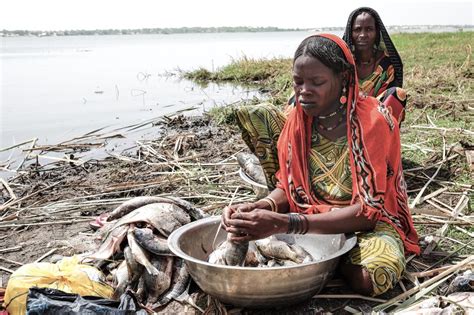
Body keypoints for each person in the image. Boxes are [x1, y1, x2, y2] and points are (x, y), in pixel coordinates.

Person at [224, 34, 419, 297]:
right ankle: (325, 259)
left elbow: (368, 214)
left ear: (343, 80)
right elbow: (288, 187)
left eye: (317, 82)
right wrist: (263, 206)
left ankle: (331, 260)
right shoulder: (297, 122)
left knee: (370, 278)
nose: (304, 91)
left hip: (366, 223)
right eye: (298, 81)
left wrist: (284, 223)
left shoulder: (371, 122)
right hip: (309, 217)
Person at [343, 7, 407, 123]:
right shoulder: (344, 62)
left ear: (377, 33)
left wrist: (365, 102)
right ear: (350, 33)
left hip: (377, 119)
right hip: (346, 117)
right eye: (357, 29)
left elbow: (387, 101)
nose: (363, 35)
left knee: (398, 93)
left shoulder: (387, 64)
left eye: (369, 29)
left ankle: (384, 139)